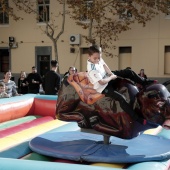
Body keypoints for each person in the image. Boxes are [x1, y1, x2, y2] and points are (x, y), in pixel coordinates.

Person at [86, 45, 157, 124]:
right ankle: (137, 118)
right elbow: (101, 82)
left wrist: (110, 73)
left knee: (128, 72)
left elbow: (104, 65)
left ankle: (144, 82)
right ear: (89, 57)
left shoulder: (98, 58)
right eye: (95, 58)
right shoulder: (92, 69)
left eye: (99, 57)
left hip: (108, 76)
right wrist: (111, 77)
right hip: (103, 86)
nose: (97, 60)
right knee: (121, 98)